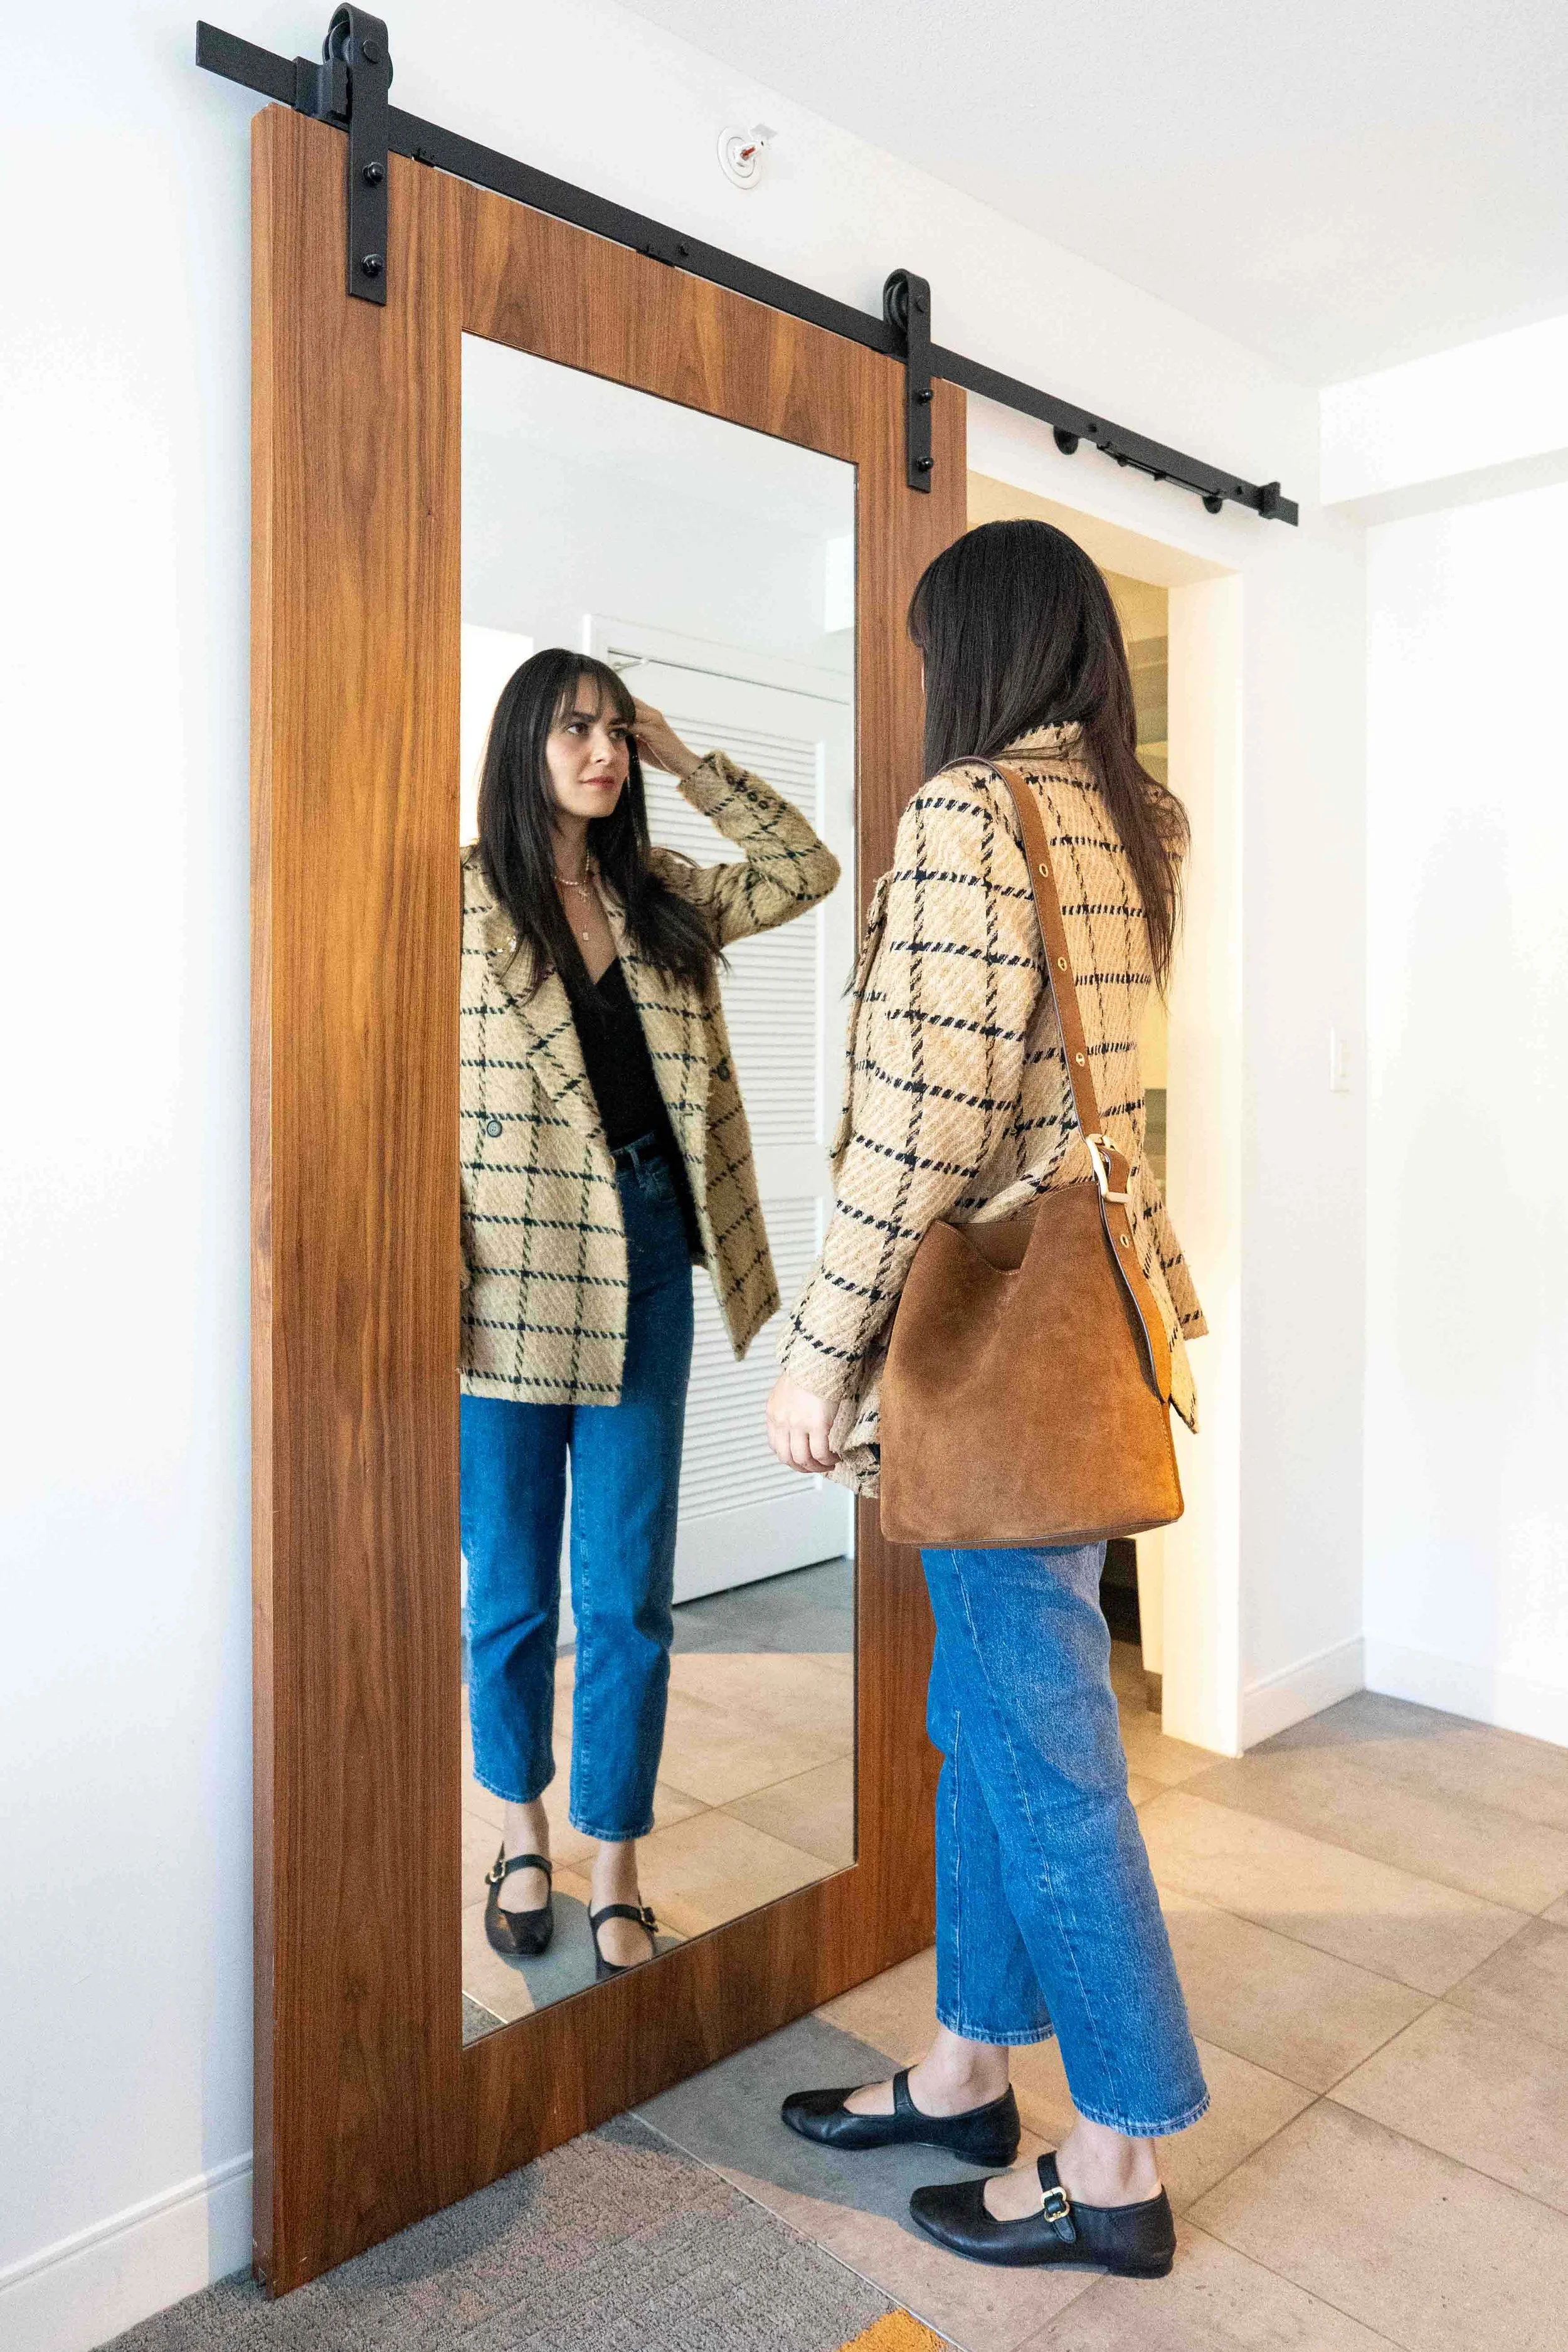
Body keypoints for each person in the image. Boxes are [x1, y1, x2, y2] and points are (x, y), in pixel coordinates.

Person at [765, 520, 1207, 2277]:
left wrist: (822, 1349)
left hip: (985, 1349)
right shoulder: (1137, 817)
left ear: (976, 654)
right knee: (995, 1717)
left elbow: (928, 1122)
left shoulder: (968, 814)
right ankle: (964, 2067)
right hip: (1090, 1327)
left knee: (1039, 1744)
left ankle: (1114, 2154)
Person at [462, 649, 839, 1979]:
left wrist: (686, 760)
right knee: (507, 1594)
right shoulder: (458, 901)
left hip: (643, 1248)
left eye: (616, 733)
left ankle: (612, 1852)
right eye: (576, 730)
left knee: (623, 1594)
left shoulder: (660, 890)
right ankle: (517, 1832)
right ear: (523, 745)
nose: (601, 752)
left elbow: (804, 869)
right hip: (500, 1277)